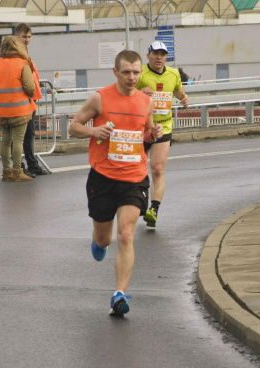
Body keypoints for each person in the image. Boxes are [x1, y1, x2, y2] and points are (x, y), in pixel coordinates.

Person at [68, 50, 163, 316]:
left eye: (135, 72)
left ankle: (119, 294)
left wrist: (153, 133)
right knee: (105, 238)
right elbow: (73, 126)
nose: (132, 77)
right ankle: (98, 243)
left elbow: (145, 134)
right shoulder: (100, 98)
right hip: (103, 177)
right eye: (126, 72)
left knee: (126, 234)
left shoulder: (146, 102)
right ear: (115, 72)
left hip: (133, 177)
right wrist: (92, 130)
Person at [136, 41, 189, 228]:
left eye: (163, 54)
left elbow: (177, 90)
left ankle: (153, 210)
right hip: (141, 128)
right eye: (156, 54)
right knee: (136, 169)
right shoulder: (139, 72)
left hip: (164, 126)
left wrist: (183, 97)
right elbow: (125, 92)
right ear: (148, 55)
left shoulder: (173, 73)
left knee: (157, 169)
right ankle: (137, 200)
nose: (159, 57)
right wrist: (140, 92)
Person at [0, 35, 36, 182]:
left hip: (3, 110)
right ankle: (17, 171)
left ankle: (6, 171)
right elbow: (30, 88)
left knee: (5, 140)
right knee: (18, 140)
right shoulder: (22, 64)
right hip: (19, 109)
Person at [14, 23, 49, 177]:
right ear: (17, 36)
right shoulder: (15, 53)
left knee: (29, 134)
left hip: (30, 99)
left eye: (29, 37)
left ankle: (31, 164)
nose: (27, 39)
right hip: (22, 100)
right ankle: (20, 166)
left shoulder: (24, 52)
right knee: (20, 136)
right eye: (24, 36)